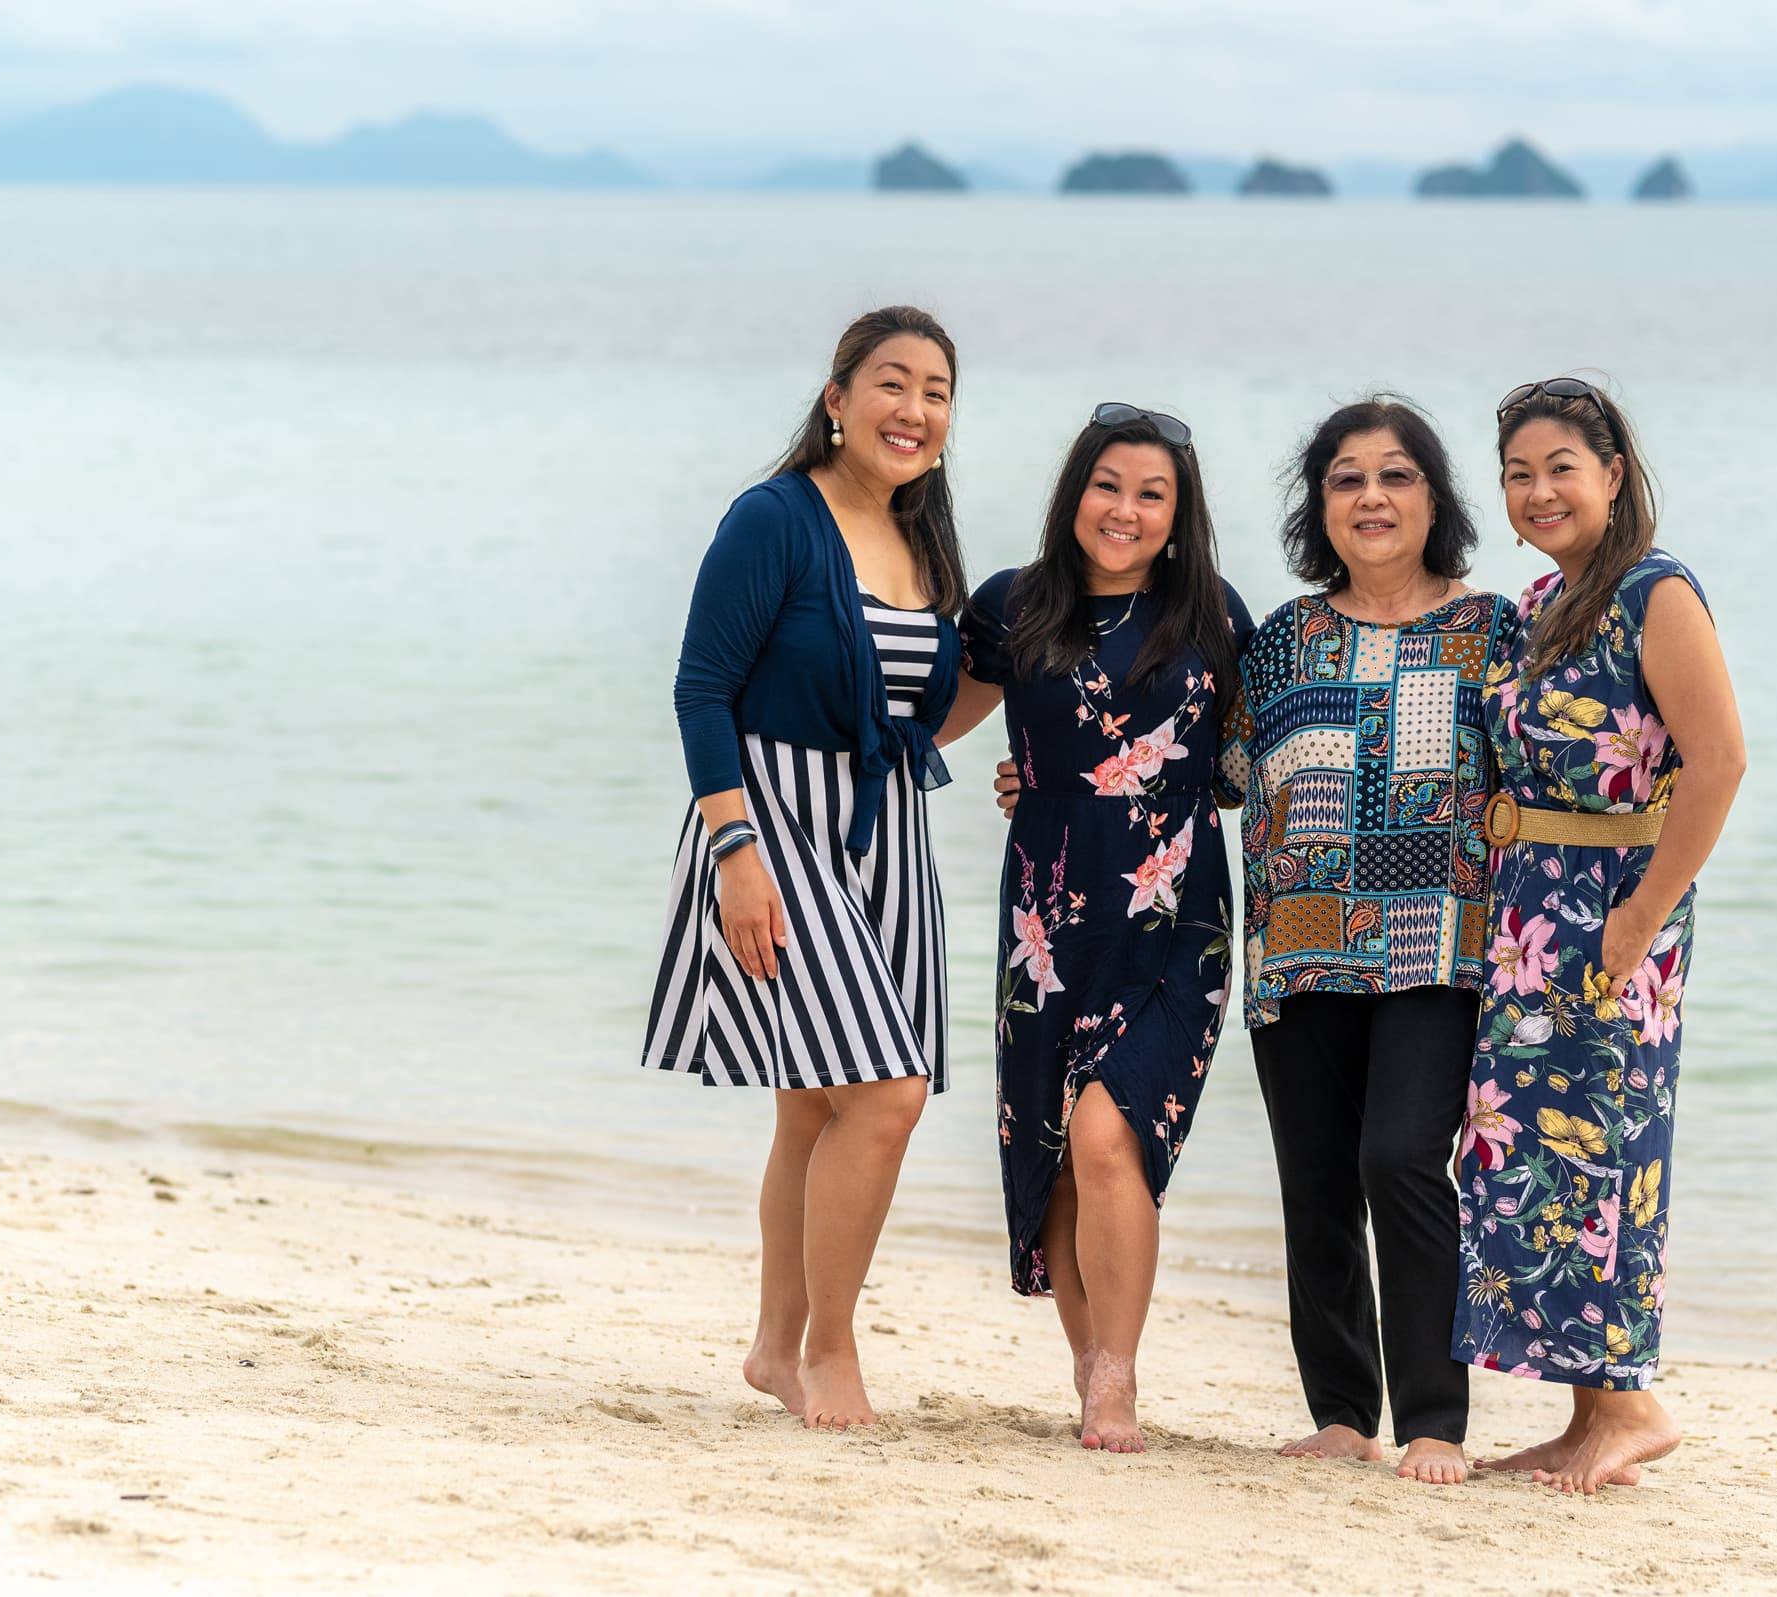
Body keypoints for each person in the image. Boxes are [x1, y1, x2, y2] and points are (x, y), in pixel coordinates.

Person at [640, 305, 967, 1431]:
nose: (913, 409)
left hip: (886, 839)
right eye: (891, 382)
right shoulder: (773, 517)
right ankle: (832, 1348)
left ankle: (775, 1347)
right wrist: (734, 852)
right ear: (837, 399)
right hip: (772, 822)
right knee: (886, 1093)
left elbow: (923, 708)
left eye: (936, 392)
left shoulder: (927, 537)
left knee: (814, 1107)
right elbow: (701, 690)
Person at [1454, 377, 1746, 1494]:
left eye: (1561, 469)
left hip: (1617, 910)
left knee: (1607, 1147)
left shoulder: (1654, 592)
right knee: (1535, 1155)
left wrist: (1642, 913)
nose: (1539, 491)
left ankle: (1632, 1405)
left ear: (1614, 475)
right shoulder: (1542, 601)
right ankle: (1589, 1416)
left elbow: (1719, 763)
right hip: (1529, 912)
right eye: (1518, 474)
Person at [943, 404, 1251, 1452]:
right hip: (1049, 914)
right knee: (1059, 1149)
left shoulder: (1212, 614)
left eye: (1151, 494)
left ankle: (1116, 1376)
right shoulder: (1011, 607)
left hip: (1178, 917)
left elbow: (1249, 768)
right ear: (1074, 491)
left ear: (1178, 512)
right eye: (1107, 485)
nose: (1125, 509)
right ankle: (1090, 1364)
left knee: (1110, 1132)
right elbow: (927, 722)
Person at [1222, 397, 1514, 1487]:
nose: (1372, 496)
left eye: (1396, 475)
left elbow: (1549, 769)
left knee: (1399, 1158)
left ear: (1435, 499)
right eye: (1346, 478)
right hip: (1299, 944)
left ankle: (1435, 1417)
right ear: (1321, 506)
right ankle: (1343, 1412)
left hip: (1440, 943)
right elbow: (1211, 769)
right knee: (1316, 1181)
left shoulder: (1494, 631)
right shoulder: (1283, 639)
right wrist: (1045, 778)